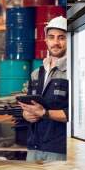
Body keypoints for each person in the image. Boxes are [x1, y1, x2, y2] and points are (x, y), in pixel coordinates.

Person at [19, 16, 68, 162]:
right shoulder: (36, 73)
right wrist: (26, 114)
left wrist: (44, 113)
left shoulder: (74, 72)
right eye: (51, 37)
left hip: (58, 150)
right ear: (46, 40)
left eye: (61, 38)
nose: (56, 42)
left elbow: (78, 116)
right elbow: (28, 106)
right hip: (34, 147)